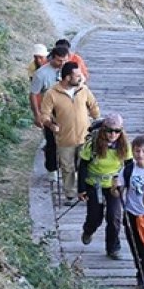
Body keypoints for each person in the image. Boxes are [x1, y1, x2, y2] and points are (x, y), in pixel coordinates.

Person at [39, 62, 99, 200]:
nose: (80, 77)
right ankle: (70, 195)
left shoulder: (83, 89)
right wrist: (50, 124)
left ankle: (86, 193)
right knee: (67, 169)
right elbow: (44, 114)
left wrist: (97, 119)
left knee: (87, 167)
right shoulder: (51, 93)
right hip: (65, 138)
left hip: (85, 137)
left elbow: (93, 105)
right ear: (67, 77)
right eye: (77, 75)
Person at [78, 114, 130, 259]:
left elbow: (130, 165)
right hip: (94, 184)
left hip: (114, 185)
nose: (113, 134)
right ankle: (88, 230)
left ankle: (113, 248)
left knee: (114, 217)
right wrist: (81, 189)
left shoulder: (125, 145)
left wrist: (129, 185)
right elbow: (83, 166)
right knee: (95, 217)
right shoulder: (92, 144)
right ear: (103, 130)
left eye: (117, 131)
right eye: (109, 130)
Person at [121, 135, 144, 289]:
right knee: (137, 247)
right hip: (133, 215)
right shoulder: (128, 170)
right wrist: (115, 189)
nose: (140, 154)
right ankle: (143, 275)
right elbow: (119, 188)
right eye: (137, 151)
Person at [30, 46, 70, 173]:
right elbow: (33, 94)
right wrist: (37, 115)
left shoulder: (70, 70)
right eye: (59, 60)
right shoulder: (41, 74)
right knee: (52, 142)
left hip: (68, 112)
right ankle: (52, 169)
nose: (62, 64)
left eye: (65, 61)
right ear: (52, 57)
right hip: (50, 113)